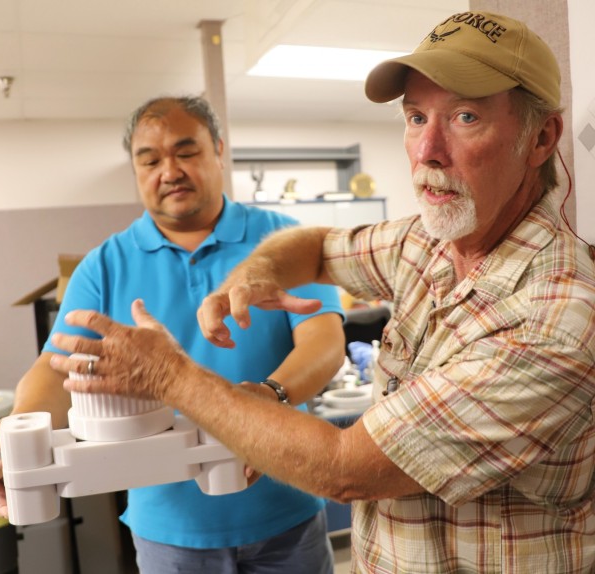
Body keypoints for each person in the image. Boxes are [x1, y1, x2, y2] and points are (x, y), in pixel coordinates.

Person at [47, 10, 595, 573]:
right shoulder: (426, 244)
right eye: (413, 117)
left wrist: (171, 376)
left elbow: (345, 468)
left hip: (286, 511)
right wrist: (250, 276)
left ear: (542, 137)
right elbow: (314, 248)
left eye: (464, 116)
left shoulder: (551, 318)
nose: (427, 149)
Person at [0, 96, 346, 574]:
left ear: (218, 150)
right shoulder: (104, 267)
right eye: (149, 160)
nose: (168, 171)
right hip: (168, 530)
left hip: (287, 508)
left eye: (186, 152)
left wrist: (268, 399)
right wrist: (19, 427)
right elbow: (57, 369)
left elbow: (325, 341)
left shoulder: (285, 240)